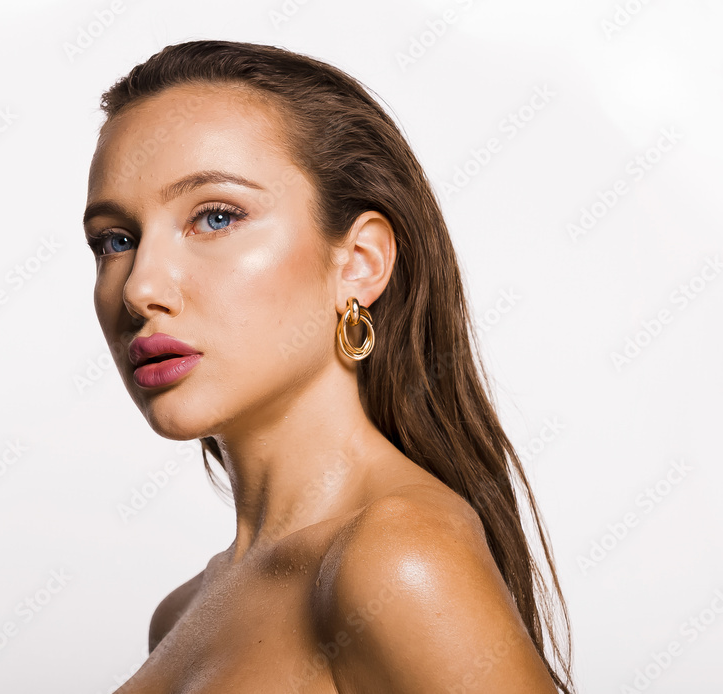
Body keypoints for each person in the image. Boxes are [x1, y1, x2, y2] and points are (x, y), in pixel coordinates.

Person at [82, 39, 575, 693]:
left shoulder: (397, 558)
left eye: (216, 217)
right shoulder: (183, 612)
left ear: (359, 263)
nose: (141, 288)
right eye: (115, 240)